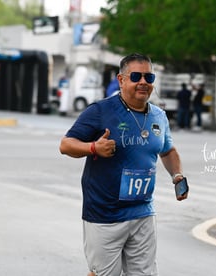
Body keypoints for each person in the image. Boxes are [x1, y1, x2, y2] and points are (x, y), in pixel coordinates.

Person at [59, 53, 188, 276]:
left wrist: (177, 176)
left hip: (142, 212)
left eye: (149, 77)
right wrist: (93, 148)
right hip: (104, 215)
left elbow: (167, 151)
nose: (143, 83)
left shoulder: (159, 116)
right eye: (136, 76)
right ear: (121, 80)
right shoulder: (100, 111)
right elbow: (66, 144)